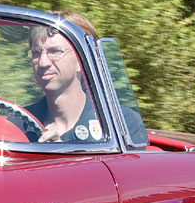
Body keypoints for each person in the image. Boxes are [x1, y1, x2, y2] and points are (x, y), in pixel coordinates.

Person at [23, 11, 145, 143]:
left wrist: (62, 153)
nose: (42, 62)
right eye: (36, 52)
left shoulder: (121, 126)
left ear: (82, 60)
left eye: (55, 51)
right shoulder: (20, 122)